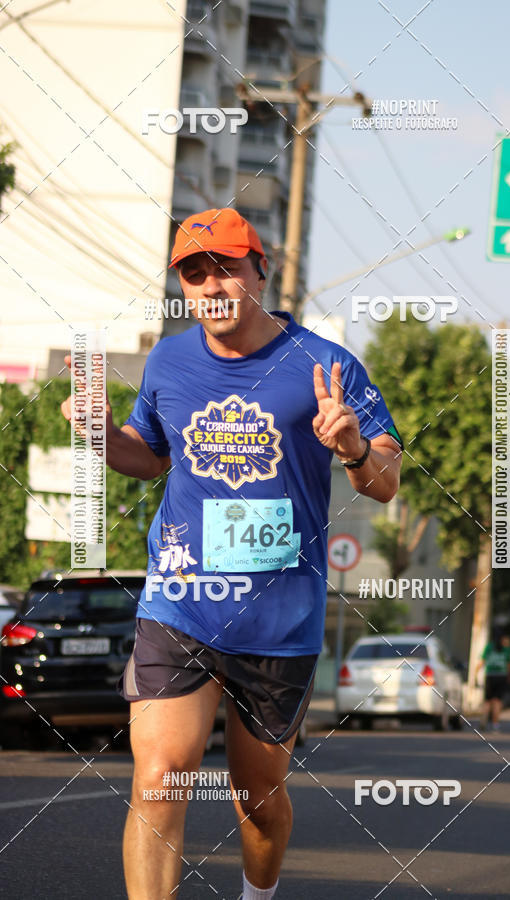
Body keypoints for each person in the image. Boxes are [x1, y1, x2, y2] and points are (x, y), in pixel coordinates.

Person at [61, 208, 403, 900]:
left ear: (261, 271)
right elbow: (149, 457)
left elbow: (387, 484)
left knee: (257, 797)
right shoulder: (169, 359)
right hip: (180, 602)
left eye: (226, 267)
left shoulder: (324, 363)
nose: (210, 283)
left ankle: (258, 893)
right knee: (160, 778)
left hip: (278, 617)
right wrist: (100, 435)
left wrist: (355, 448)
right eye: (194, 272)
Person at [476, 630, 510, 731]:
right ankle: (495, 724)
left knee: (487, 700)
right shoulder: (505, 649)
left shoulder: (489, 647)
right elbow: (509, 665)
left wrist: (475, 673)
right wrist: (509, 676)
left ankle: (484, 719)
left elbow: (482, 661)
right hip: (501, 676)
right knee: (497, 701)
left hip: (490, 676)